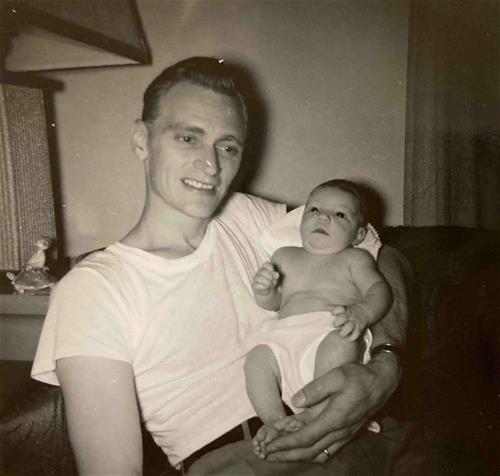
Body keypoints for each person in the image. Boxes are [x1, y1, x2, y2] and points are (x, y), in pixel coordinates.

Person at [31, 57, 411, 475]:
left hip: (362, 435)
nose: (211, 165)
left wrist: (385, 364)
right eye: (188, 138)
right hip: (242, 459)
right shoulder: (94, 288)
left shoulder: (244, 215)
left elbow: (385, 253)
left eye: (227, 147)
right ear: (142, 140)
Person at [245, 179, 392, 459]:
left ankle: (316, 413)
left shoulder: (355, 258)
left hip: (329, 331)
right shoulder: (284, 256)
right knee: (256, 359)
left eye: (339, 214)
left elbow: (379, 290)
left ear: (359, 234)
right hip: (284, 338)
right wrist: (264, 290)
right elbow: (276, 304)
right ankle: (275, 419)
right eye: (314, 210)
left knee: (341, 343)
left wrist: (362, 313)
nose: (323, 217)